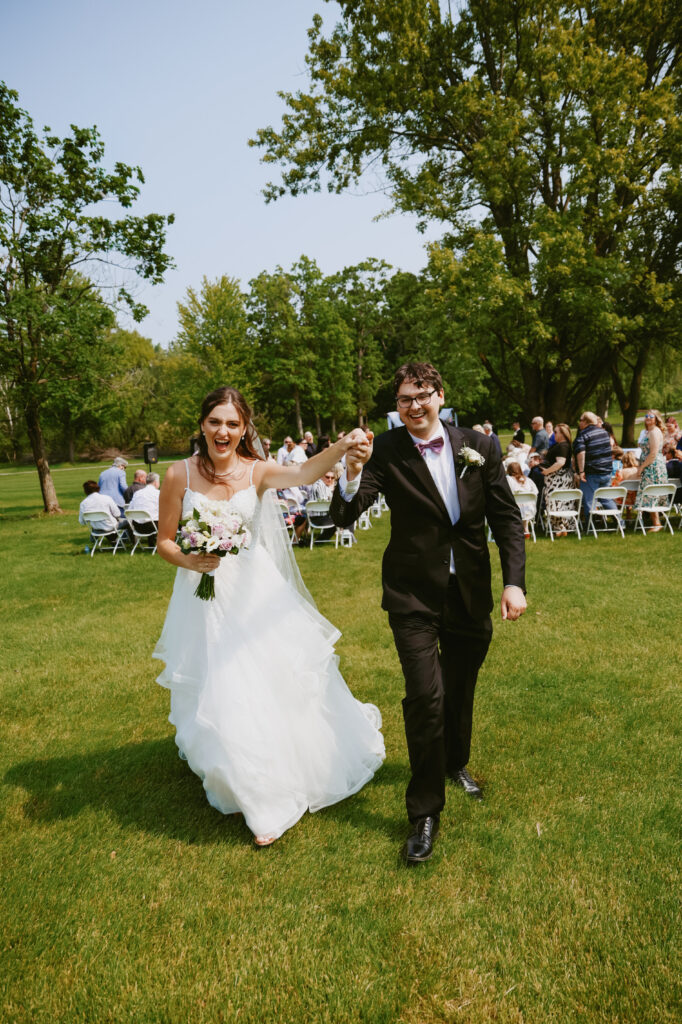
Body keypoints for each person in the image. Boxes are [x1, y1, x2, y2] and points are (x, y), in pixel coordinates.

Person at [153, 387, 384, 847]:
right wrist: (190, 560)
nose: (224, 432)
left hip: (256, 597)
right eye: (216, 422)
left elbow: (302, 471)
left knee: (269, 684)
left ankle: (275, 791)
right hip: (203, 599)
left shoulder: (258, 471)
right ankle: (252, 790)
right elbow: (164, 541)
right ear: (203, 424)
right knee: (221, 685)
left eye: (233, 424)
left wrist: (338, 448)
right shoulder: (178, 474)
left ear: (244, 429)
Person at [330, 363, 527, 865]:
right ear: (396, 407)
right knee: (425, 697)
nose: (413, 406)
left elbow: (505, 515)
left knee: (459, 690)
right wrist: (351, 475)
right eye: (403, 400)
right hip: (412, 595)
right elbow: (346, 515)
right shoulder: (387, 451)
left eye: (421, 396)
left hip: (469, 592)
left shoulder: (479, 447)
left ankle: (454, 762)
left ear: (440, 395)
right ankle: (423, 814)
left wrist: (512, 582)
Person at [573, 412, 617, 518]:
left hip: (591, 473)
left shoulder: (583, 435)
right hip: (606, 472)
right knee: (606, 499)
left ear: (585, 422)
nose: (579, 422)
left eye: (580, 420)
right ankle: (620, 522)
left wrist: (582, 471)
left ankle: (591, 526)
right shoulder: (604, 433)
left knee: (589, 500)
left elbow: (581, 453)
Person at [634, 410, 667, 531]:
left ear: (656, 418)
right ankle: (656, 522)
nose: (647, 418)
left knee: (652, 492)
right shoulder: (648, 432)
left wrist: (641, 467)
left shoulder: (654, 432)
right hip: (648, 465)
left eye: (651, 416)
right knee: (649, 493)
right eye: (646, 416)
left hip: (653, 466)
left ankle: (657, 524)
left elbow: (653, 453)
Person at [541, 423, 576, 537]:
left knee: (556, 502)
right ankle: (560, 527)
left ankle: (561, 528)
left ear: (563, 434)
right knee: (560, 502)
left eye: (556, 432)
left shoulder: (563, 446)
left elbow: (560, 463)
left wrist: (547, 471)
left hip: (558, 480)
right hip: (559, 478)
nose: (553, 434)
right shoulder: (562, 445)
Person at [505, 462, 538, 536]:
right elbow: (535, 492)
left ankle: (515, 530)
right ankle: (526, 529)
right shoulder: (528, 480)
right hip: (529, 510)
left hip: (514, 509)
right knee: (524, 504)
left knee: (517, 502)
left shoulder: (508, 479)